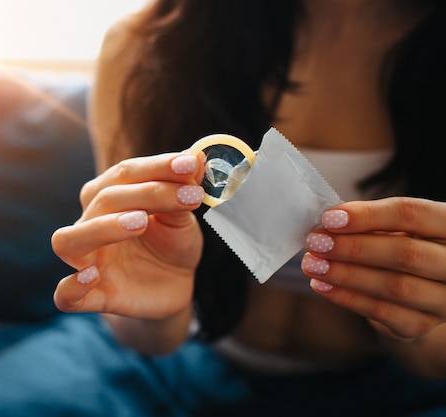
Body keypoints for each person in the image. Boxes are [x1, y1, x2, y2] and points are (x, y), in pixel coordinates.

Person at [52, 0, 446, 414]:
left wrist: (411, 315)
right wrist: (150, 313)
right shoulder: (144, 46)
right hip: (186, 365)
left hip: (390, 385)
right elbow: (140, 323)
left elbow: (434, 361)